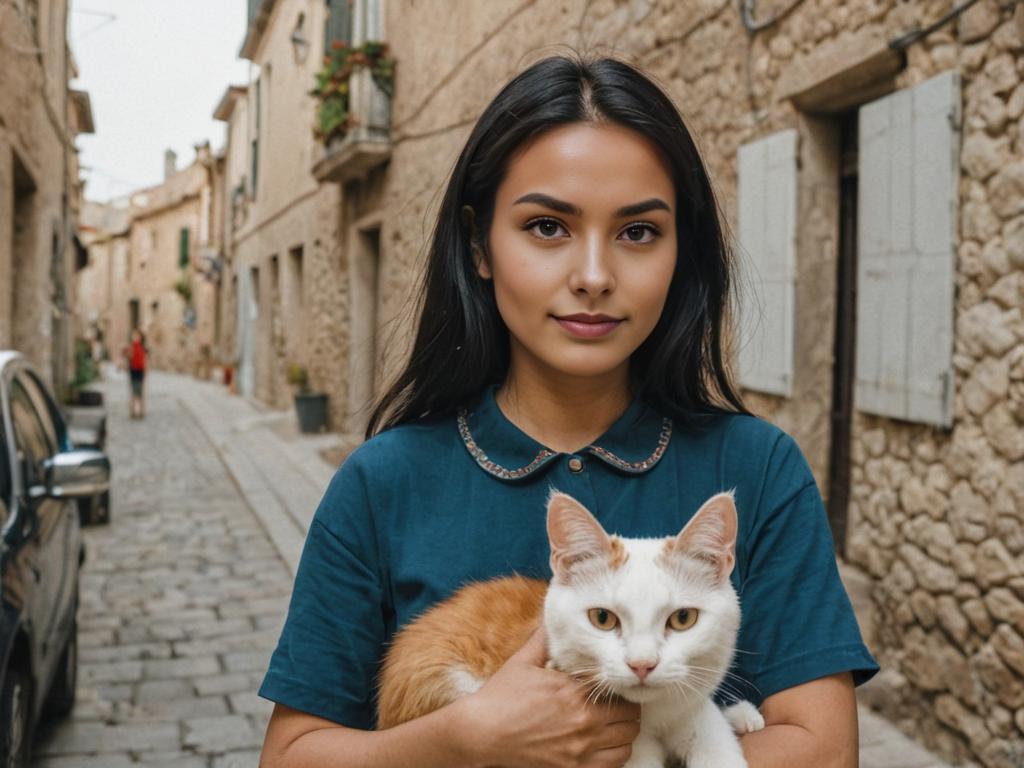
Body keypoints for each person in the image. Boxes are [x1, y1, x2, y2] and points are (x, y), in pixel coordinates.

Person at [258, 53, 878, 768]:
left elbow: (825, 752)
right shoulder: (382, 483)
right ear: (478, 246)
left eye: (638, 232)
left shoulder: (756, 468)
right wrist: (463, 738)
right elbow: (292, 756)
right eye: (548, 227)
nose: (593, 277)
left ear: (684, 253)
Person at [126, 329, 146, 419]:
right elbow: (129, 358)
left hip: (140, 371)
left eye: (137, 336)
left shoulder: (143, 348)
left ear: (141, 337)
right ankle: (133, 411)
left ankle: (141, 411)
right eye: (134, 336)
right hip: (133, 371)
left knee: (140, 392)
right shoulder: (131, 347)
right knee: (134, 392)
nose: (136, 338)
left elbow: (145, 360)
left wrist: (146, 371)